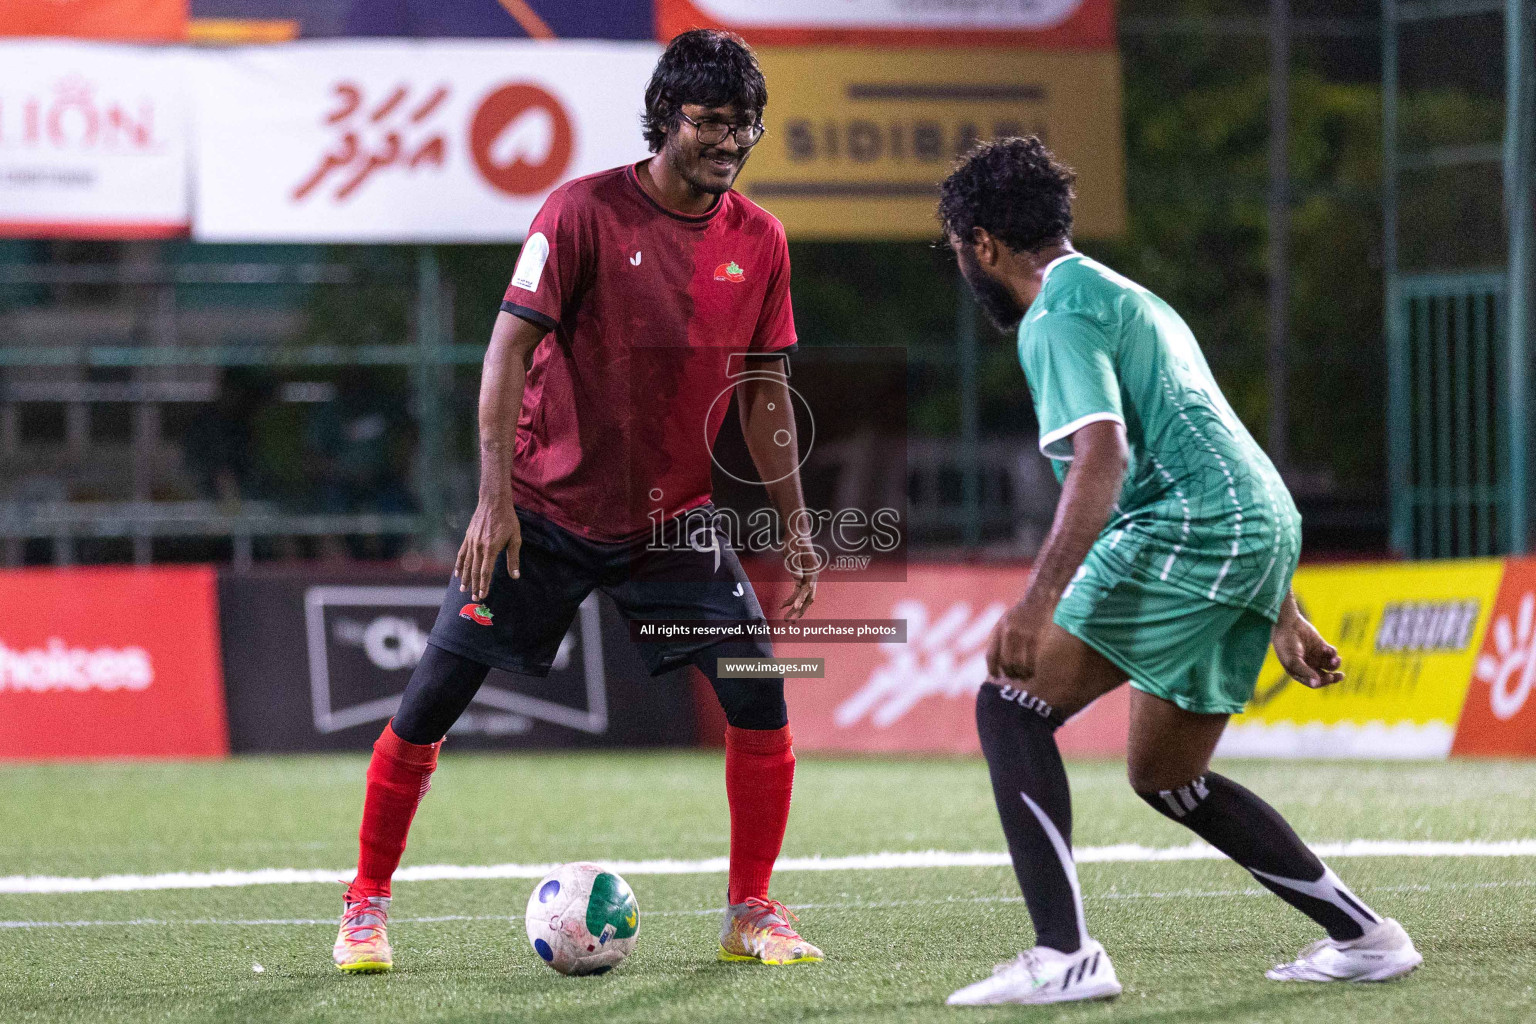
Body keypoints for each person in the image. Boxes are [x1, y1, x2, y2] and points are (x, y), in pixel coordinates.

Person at [332, 29, 823, 973]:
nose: (730, 141)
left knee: (761, 703)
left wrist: (795, 523)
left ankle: (751, 910)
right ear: (666, 117)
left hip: (673, 521)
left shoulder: (759, 240)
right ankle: (365, 905)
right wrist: (493, 501)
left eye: (744, 126)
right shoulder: (581, 213)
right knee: (431, 699)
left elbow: (764, 389)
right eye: (711, 122)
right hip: (544, 513)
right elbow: (506, 352)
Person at [937, 137, 1422, 1006]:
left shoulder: (1054, 314)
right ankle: (1367, 938)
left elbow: (1102, 459)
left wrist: (1034, 602)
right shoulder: (1129, 296)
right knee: (1167, 778)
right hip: (1251, 526)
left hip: (1193, 530)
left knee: (1009, 703)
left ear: (982, 245)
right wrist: (1282, 605)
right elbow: (1215, 442)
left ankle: (1064, 955)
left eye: (956, 250)